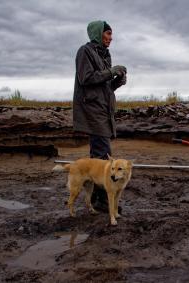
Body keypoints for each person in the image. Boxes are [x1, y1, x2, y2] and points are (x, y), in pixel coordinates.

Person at [73, 20, 127, 212]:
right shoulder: (85, 51)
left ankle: (96, 198)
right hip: (92, 111)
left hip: (103, 110)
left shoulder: (104, 55)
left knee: (98, 155)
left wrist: (117, 82)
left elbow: (104, 87)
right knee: (103, 155)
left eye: (111, 35)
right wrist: (111, 72)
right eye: (108, 34)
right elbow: (85, 78)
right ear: (98, 33)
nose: (111, 38)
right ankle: (103, 201)